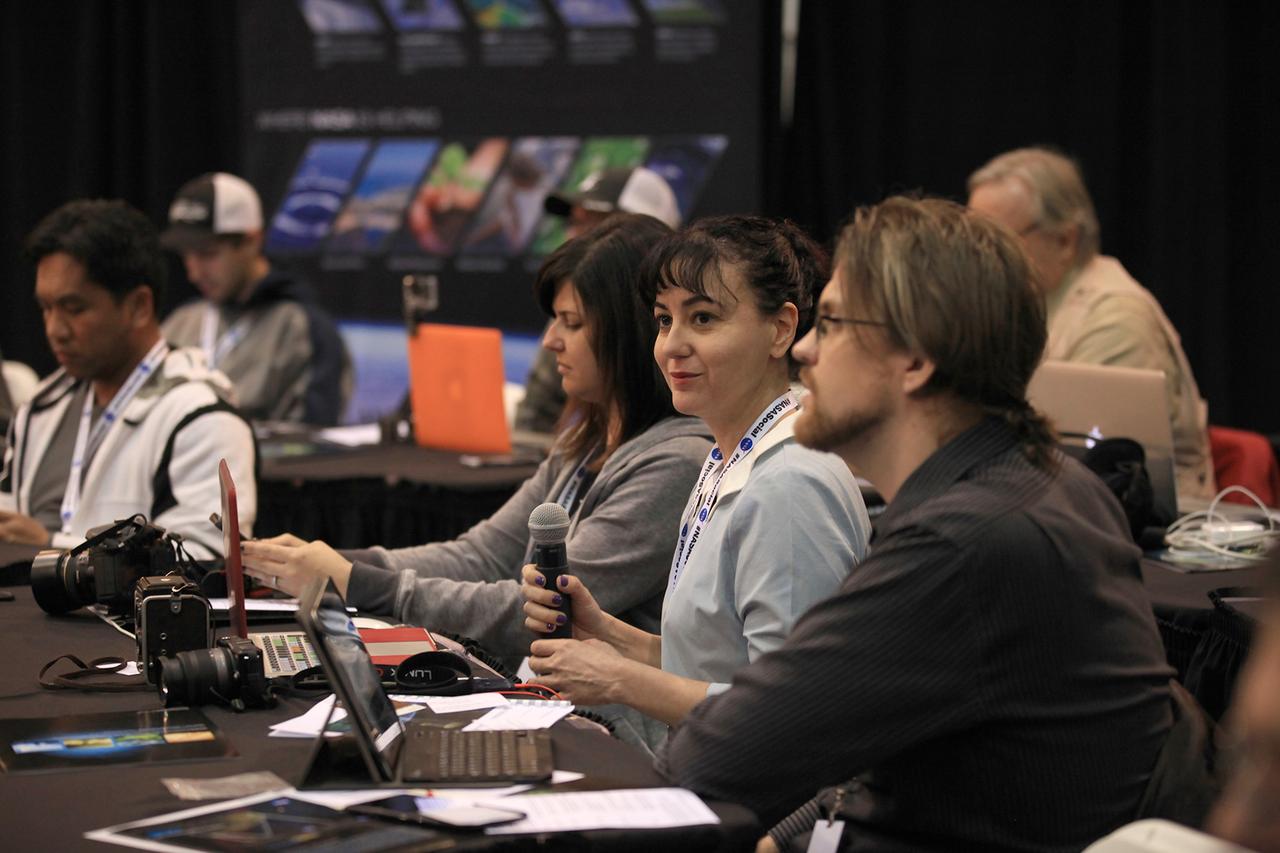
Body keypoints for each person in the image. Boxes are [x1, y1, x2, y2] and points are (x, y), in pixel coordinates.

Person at [657, 197, 1177, 852]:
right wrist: (789, 838)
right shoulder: (1048, 480)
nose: (809, 348)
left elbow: (712, 757)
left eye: (836, 323)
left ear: (915, 360)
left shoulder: (961, 542)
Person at [239, 214, 710, 673]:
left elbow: (534, 613)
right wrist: (328, 561)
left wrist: (354, 581)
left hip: (611, 730)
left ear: (626, 333)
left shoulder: (676, 465)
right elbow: (483, 555)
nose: (550, 341)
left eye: (571, 322)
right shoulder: (584, 444)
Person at [520, 216, 870, 730]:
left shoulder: (791, 484)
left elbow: (789, 715)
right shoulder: (730, 453)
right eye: (664, 320)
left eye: (703, 319)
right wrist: (606, 635)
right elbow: (717, 664)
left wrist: (618, 680)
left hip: (757, 804)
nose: (672, 345)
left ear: (780, 329)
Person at [0, 199, 256, 558]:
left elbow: (208, 559)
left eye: (74, 309)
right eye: (46, 308)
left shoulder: (204, 419)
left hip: (126, 617)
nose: (54, 329)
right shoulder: (41, 407)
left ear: (139, 306)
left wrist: (52, 546)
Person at [967, 146, 1215, 499]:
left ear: (1065, 240)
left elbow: (1087, 467)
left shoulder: (1116, 320)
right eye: (973, 237)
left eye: (996, 239)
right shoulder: (1025, 303)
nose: (976, 256)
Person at [159, 172, 352, 426]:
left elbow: (309, 443)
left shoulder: (301, 328)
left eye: (207, 254)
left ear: (252, 241)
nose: (193, 272)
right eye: (186, 256)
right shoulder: (181, 322)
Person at [515, 166, 683, 435]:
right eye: (575, 223)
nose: (575, 238)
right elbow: (533, 420)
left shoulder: (679, 444)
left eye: (598, 227)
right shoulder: (566, 318)